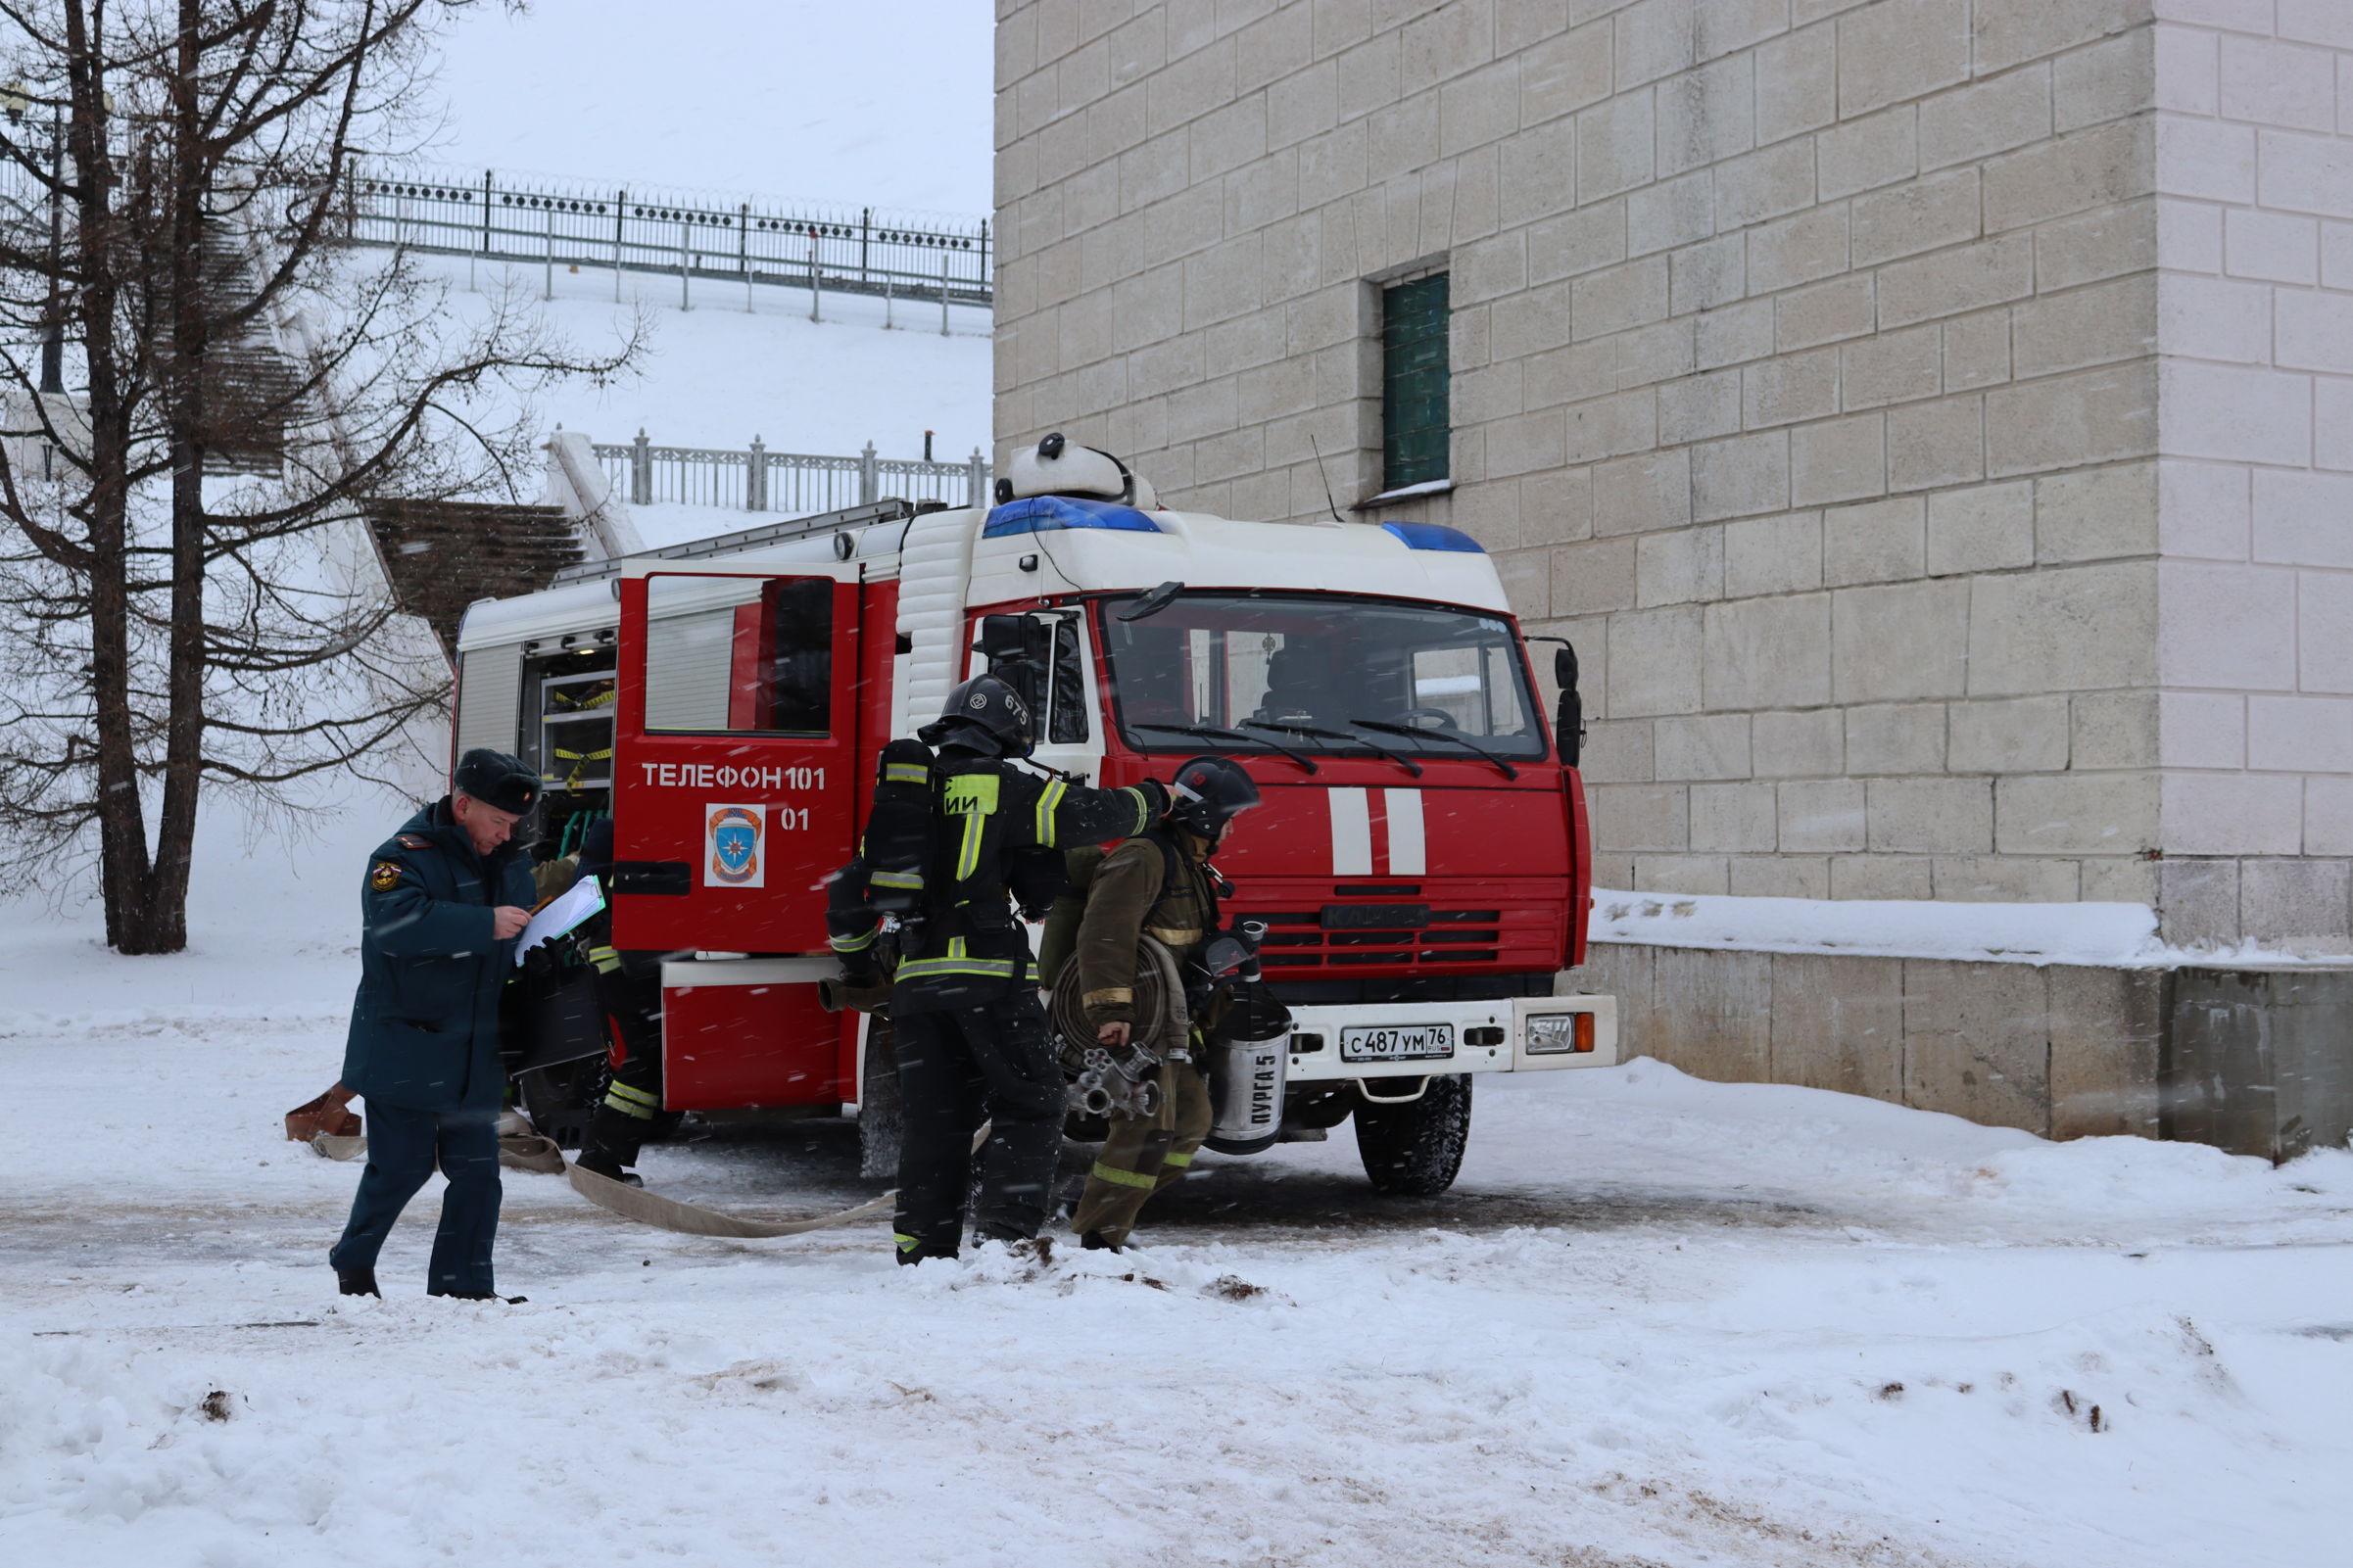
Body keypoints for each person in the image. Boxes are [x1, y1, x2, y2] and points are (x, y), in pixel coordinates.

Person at [848, 673, 1169, 1264]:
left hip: (918, 987)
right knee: (1033, 1101)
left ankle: (922, 1250)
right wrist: (1156, 798)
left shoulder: (906, 797)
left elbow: (856, 887)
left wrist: (856, 962)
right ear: (1006, 736)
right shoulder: (1008, 787)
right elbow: (1090, 816)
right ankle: (1005, 1241)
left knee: (936, 1124)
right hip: (989, 979)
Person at [328, 749, 541, 1301]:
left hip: (475, 1049)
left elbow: (511, 936)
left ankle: (464, 1290)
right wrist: (483, 923)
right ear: (463, 805)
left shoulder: (509, 860)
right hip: (407, 1042)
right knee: (401, 1168)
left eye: (513, 824)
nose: (504, 833)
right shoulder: (402, 856)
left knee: (478, 1177)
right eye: (497, 821)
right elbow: (394, 925)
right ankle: (353, 1266)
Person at [1060, 755, 1261, 1252]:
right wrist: (1111, 1014)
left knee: (1190, 1122)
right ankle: (1099, 1238)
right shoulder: (1144, 856)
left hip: (1171, 1021)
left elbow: (1179, 942)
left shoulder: (1188, 862)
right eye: (1230, 817)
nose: (1233, 827)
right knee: (1144, 1128)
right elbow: (1104, 936)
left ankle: (1109, 1214)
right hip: (1139, 1023)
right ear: (1207, 819)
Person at [569, 819, 670, 1186]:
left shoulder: (614, 828)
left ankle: (602, 1156)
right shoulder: (616, 828)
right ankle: (599, 1158)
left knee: (648, 1058)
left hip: (624, 956)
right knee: (646, 1058)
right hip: (624, 959)